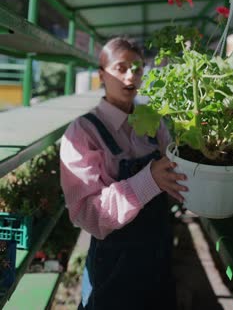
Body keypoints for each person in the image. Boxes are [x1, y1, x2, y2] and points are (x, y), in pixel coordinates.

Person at [60, 37, 188, 310]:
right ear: (101, 75)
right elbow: (88, 214)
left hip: (158, 250)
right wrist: (148, 180)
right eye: (121, 67)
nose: (131, 75)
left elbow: (175, 172)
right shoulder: (83, 133)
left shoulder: (153, 120)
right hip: (115, 263)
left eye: (138, 68)